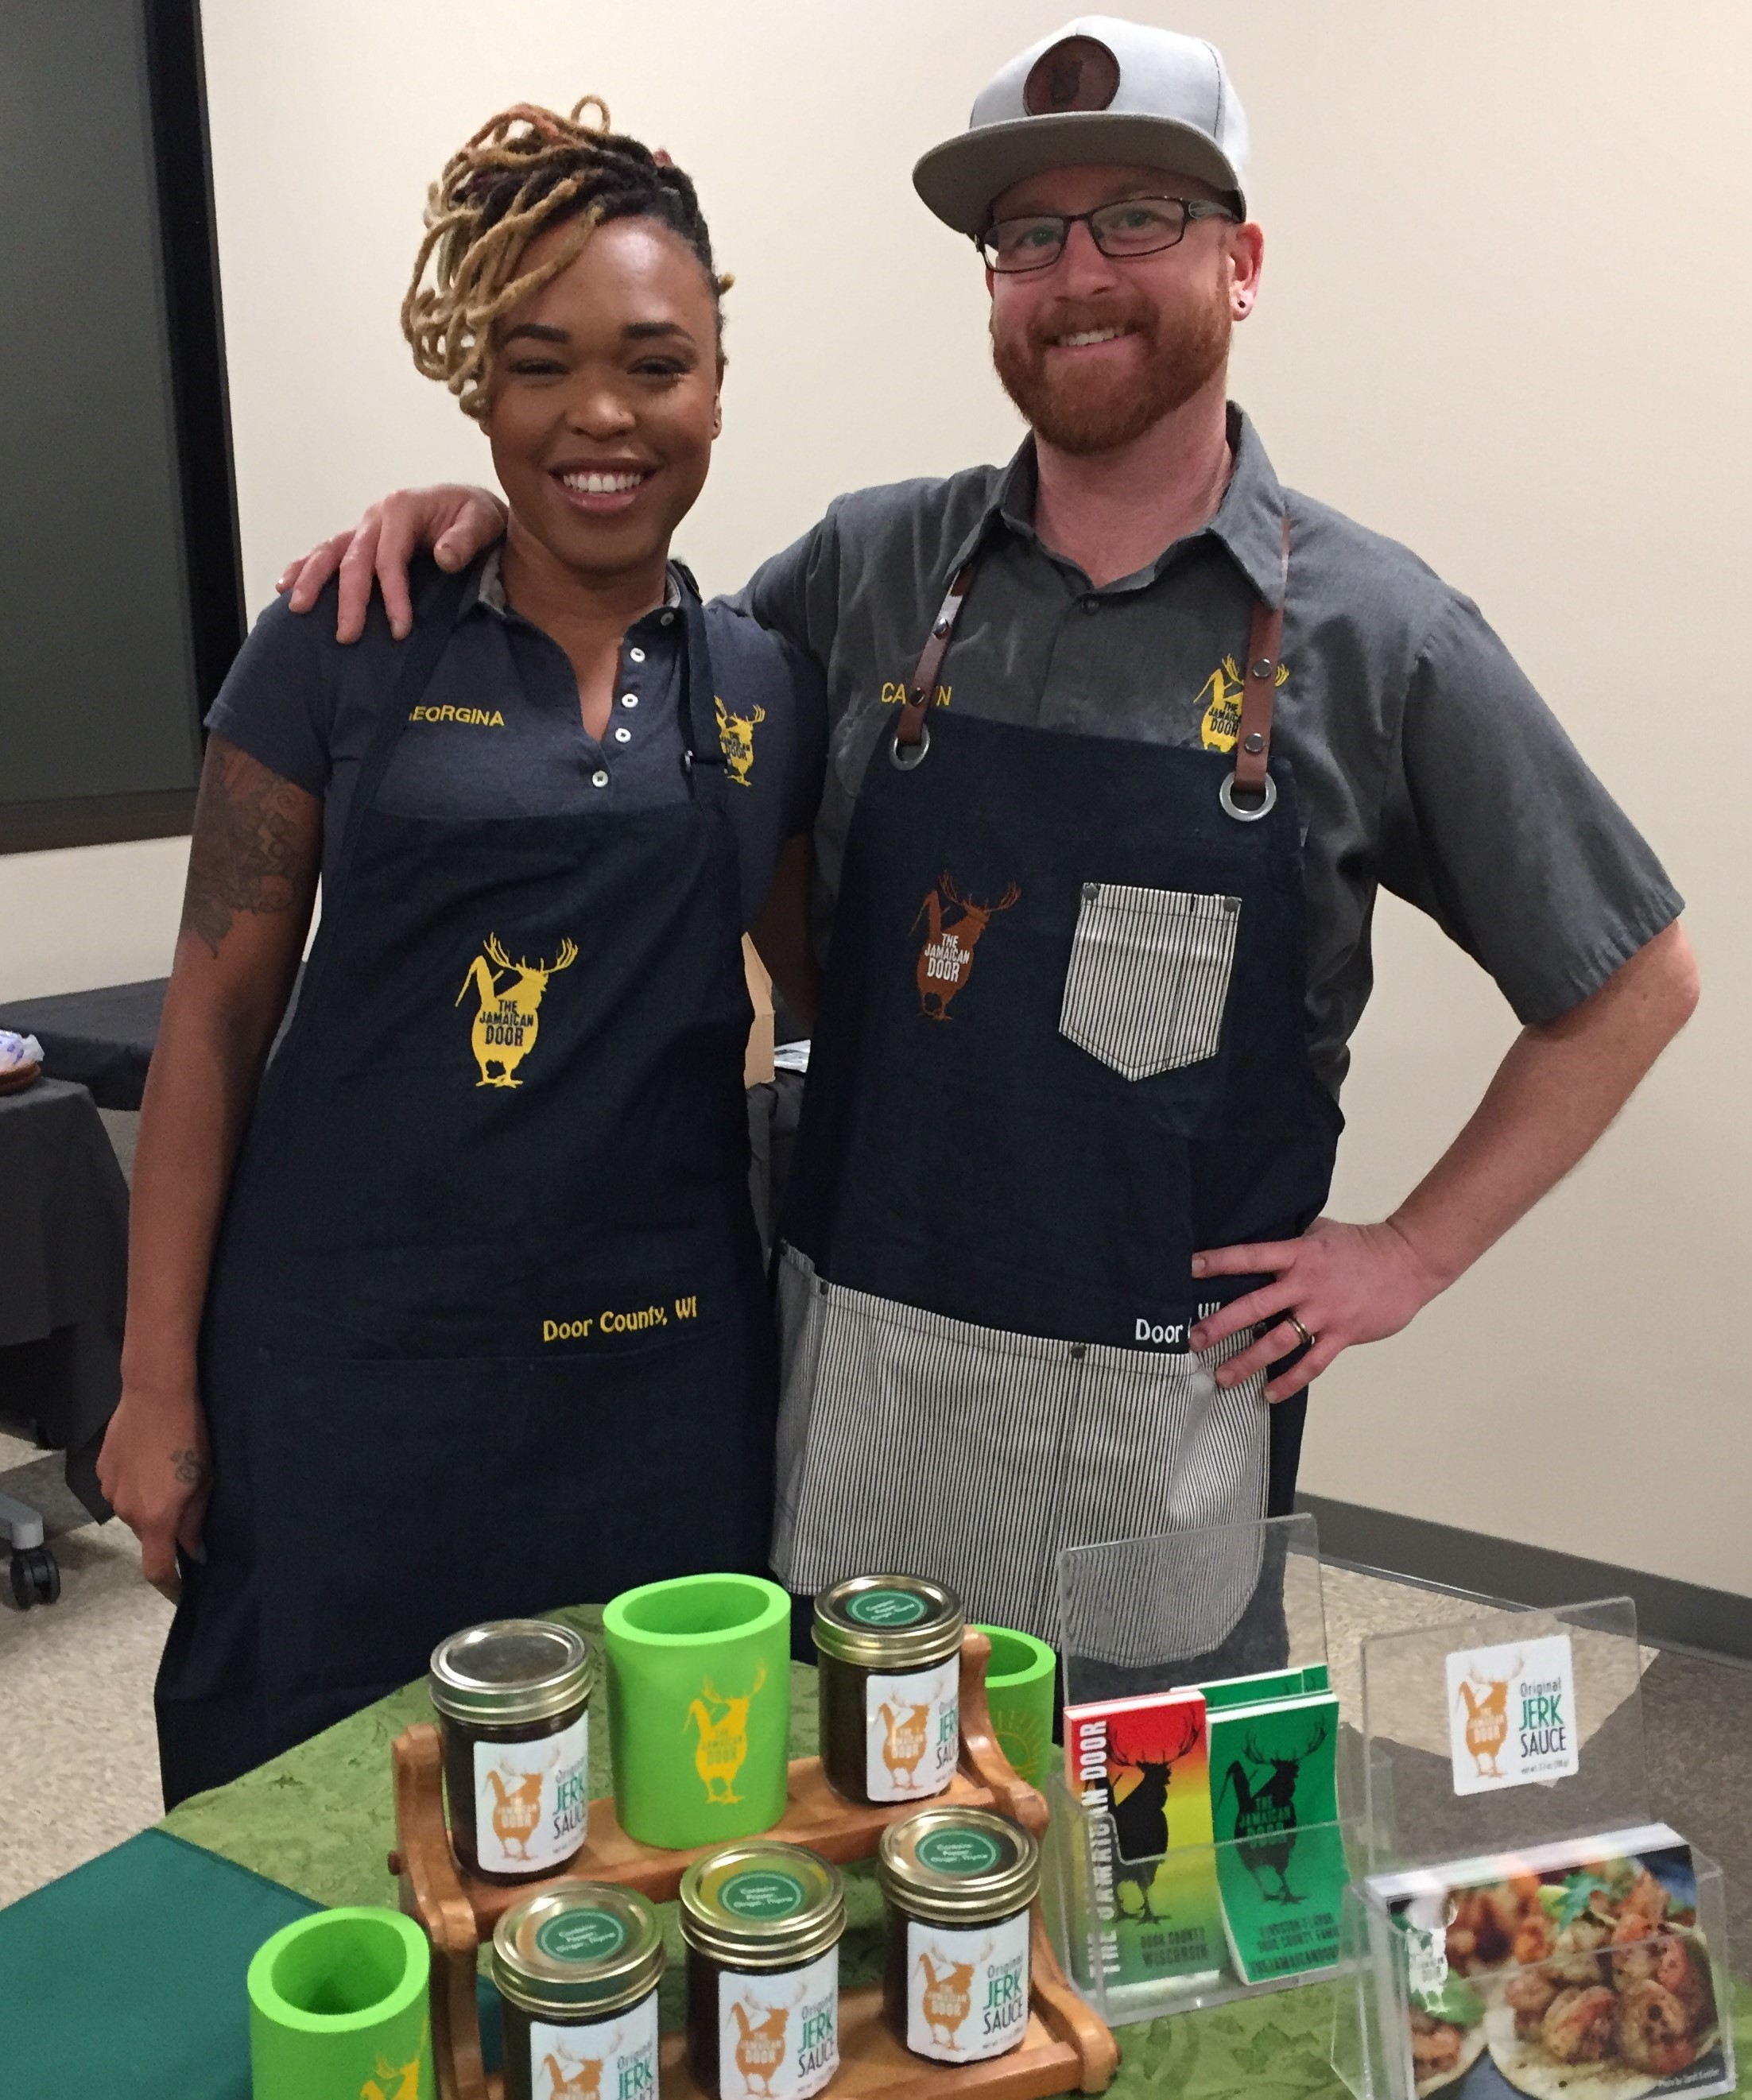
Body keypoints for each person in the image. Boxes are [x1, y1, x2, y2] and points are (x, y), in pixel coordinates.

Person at [280, 21, 1698, 1664]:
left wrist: (1408, 1253)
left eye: (1137, 221)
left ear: (1241, 264)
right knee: (840, 1867)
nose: (1076, 271)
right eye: (1028, 236)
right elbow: (642, 689)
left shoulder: (1382, 641)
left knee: (1127, 1893)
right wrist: (477, 539)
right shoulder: (873, 567)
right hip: (854, 1398)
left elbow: (1632, 977)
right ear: (991, 283)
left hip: (1151, 1451)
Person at [99, 99, 824, 1804]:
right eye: (537, 362)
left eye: (655, 363)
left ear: (718, 377)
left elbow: (827, 1006)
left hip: (659, 1379)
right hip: (349, 1373)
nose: (600, 415)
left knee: (643, 1827)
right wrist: (151, 1386)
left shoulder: (765, 683)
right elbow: (209, 1021)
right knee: (323, 1815)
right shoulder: (341, 635)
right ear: (476, 388)